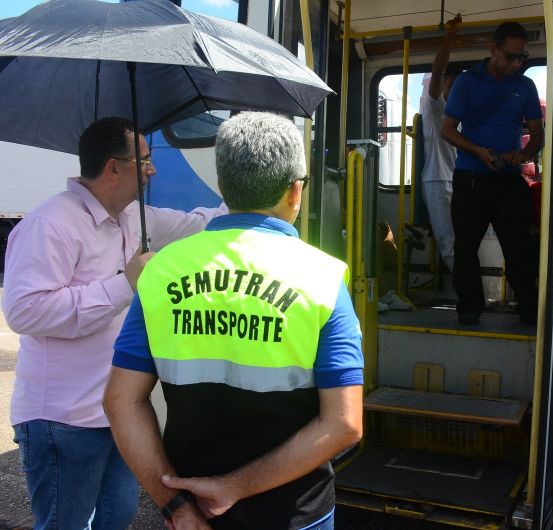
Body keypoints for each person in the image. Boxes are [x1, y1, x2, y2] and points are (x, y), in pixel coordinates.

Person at [103, 112, 364, 530]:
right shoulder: (323, 277)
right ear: (294, 191)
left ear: (224, 186)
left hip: (194, 513)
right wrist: (235, 486)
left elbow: (121, 402)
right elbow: (344, 424)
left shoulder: (162, 272)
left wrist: (177, 508)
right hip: (296, 515)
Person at [2, 116, 225, 530]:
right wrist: (124, 284)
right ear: (113, 168)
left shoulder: (133, 218)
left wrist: (242, 196)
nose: (152, 169)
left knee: (117, 518)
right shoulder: (50, 224)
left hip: (118, 416)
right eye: (144, 160)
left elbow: (198, 224)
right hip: (62, 420)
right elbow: (23, 311)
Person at [442, 21, 544, 325]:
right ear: (493, 50)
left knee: (519, 247)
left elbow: (537, 133)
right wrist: (478, 151)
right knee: (465, 247)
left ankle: (529, 307)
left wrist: (524, 154)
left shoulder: (524, 86)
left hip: (509, 177)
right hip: (471, 177)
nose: (516, 64)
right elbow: (448, 130)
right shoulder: (467, 82)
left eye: (521, 57)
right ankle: (470, 308)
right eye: (510, 57)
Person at [420, 15, 461, 273]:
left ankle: (470, 294)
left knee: (464, 240)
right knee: (450, 243)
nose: (455, 90)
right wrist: (451, 35)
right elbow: (437, 70)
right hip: (437, 180)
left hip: (457, 180)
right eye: (451, 84)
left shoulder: (462, 113)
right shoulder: (436, 108)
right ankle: (466, 297)